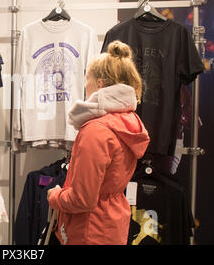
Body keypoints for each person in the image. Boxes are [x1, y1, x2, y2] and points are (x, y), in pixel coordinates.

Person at [47, 40, 150, 245]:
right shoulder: (127, 121)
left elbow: (82, 199)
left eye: (87, 79)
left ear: (100, 84)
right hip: (111, 226)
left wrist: (55, 196)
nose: (85, 86)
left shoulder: (96, 131)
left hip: (89, 231)